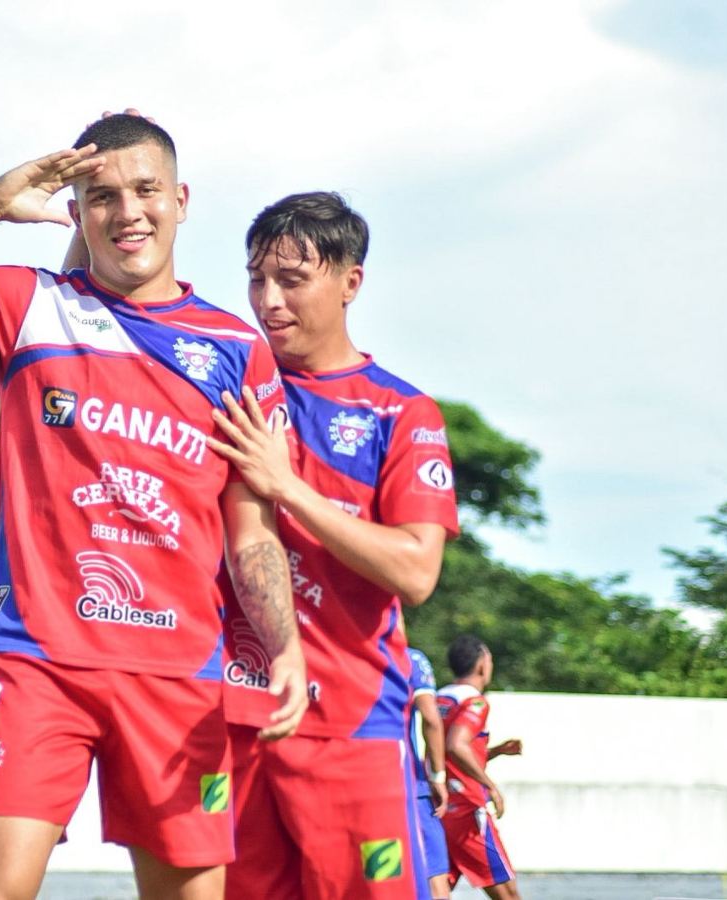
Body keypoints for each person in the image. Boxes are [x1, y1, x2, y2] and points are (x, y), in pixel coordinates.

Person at [0, 113, 307, 900]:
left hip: (180, 674)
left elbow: (250, 527)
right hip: (37, 661)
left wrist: (285, 645)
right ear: (76, 211)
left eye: (145, 190)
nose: (127, 212)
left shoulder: (236, 349)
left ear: (181, 200)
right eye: (101, 196)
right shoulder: (30, 307)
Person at [206, 192, 460, 899]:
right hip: (231, 722)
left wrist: (287, 488)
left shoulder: (401, 412)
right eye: (257, 278)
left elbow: (416, 571)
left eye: (292, 279)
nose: (268, 300)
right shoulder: (229, 390)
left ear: (351, 282)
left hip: (353, 728)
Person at [436, 636, 523, 899]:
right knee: (507, 894)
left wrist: (494, 751)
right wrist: (490, 786)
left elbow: (445, 751)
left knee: (437, 891)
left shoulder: (439, 698)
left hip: (437, 808)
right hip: (467, 809)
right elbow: (456, 745)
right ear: (482, 666)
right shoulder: (474, 701)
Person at [406, 647, 451, 900]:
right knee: (435, 880)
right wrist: (438, 777)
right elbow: (431, 719)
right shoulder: (410, 659)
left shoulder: (337, 652)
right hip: (408, 783)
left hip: (347, 782)